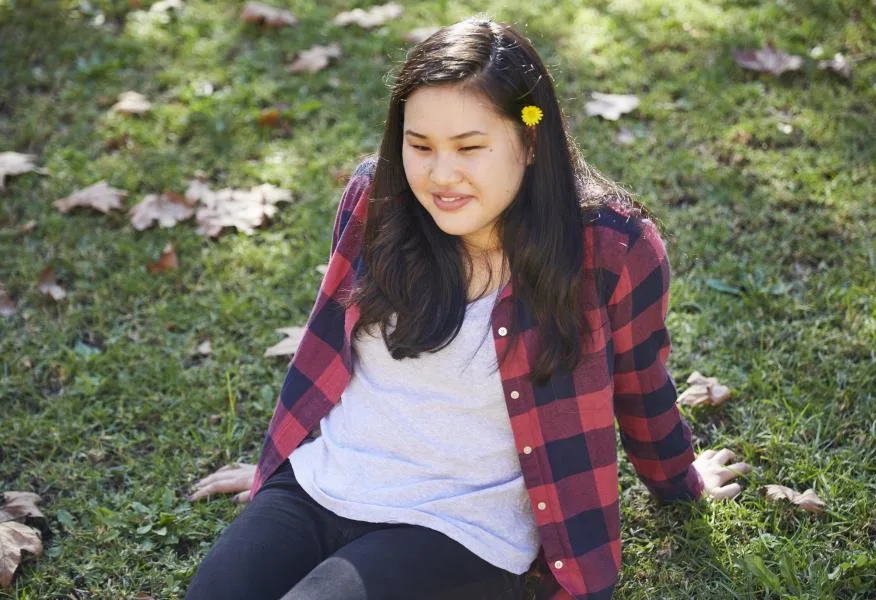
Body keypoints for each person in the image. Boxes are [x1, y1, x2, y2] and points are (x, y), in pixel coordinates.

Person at [185, 17, 751, 600]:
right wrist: (275, 473)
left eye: (470, 148)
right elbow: (329, 352)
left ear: (530, 142)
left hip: (456, 527)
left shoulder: (611, 249)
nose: (441, 174)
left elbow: (641, 383)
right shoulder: (376, 200)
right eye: (420, 145)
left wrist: (681, 482)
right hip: (322, 482)